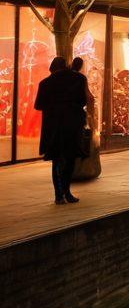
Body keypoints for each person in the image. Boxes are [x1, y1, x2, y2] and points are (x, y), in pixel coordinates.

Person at [34, 56, 87, 204]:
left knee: (56, 159)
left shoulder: (45, 83)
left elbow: (38, 105)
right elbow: (83, 100)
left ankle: (58, 195)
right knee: (70, 159)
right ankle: (67, 192)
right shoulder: (78, 79)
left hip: (54, 127)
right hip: (72, 125)